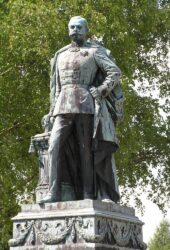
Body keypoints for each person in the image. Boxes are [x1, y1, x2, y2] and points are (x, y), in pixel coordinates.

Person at [39, 16, 123, 204]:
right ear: (68, 30)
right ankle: (53, 192)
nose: (75, 30)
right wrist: (51, 111)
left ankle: (87, 194)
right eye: (72, 27)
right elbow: (56, 88)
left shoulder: (95, 52)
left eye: (79, 27)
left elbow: (115, 72)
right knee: (54, 146)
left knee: (86, 152)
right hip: (62, 106)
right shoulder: (60, 55)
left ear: (86, 30)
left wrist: (101, 90)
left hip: (86, 105)